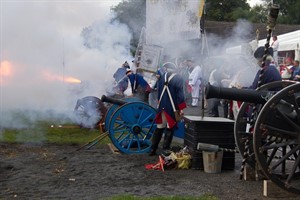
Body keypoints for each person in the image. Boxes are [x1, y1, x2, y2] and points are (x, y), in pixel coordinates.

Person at [149, 63, 187, 156]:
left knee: (160, 128)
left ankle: (152, 149)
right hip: (171, 107)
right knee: (170, 128)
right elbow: (180, 95)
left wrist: (159, 102)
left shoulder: (162, 77)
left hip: (162, 105)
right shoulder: (178, 78)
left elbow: (159, 92)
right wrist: (181, 108)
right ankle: (165, 149)